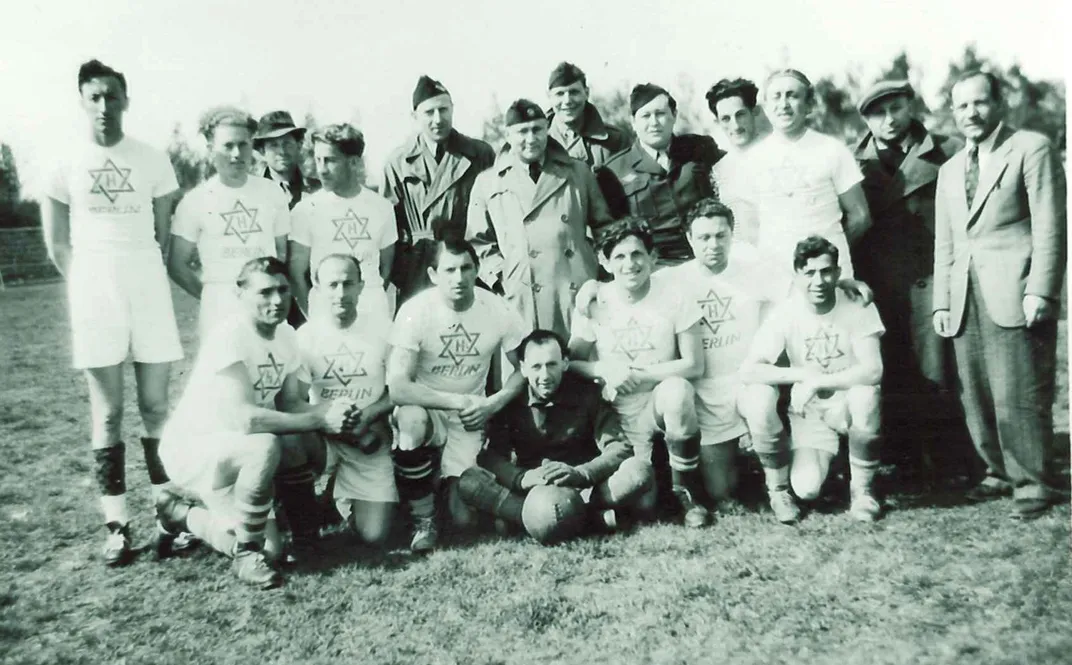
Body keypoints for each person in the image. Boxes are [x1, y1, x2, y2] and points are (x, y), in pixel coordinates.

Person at [41, 59, 187, 566]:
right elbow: (58, 244)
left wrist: (139, 268)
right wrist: (89, 286)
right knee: (107, 411)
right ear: (82, 101)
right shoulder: (63, 161)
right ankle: (117, 526)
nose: (105, 106)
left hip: (145, 279)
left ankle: (169, 515)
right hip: (94, 288)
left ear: (126, 99)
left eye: (112, 96)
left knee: (154, 407)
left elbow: (163, 232)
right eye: (95, 97)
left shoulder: (152, 160)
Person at [155, 258, 351, 588]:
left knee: (290, 440)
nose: (277, 301)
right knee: (267, 444)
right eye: (265, 292)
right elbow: (245, 419)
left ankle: (305, 535)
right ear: (240, 294)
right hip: (197, 448)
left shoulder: (286, 334)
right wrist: (317, 418)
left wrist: (334, 410)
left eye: (283, 291)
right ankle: (194, 522)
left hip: (241, 449)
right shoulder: (229, 336)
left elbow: (289, 403)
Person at [933, 70, 1067, 520]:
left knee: (1019, 390)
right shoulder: (951, 168)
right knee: (977, 390)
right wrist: (941, 300)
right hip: (964, 291)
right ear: (952, 112)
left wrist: (1041, 292)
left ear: (999, 103)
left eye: (980, 103)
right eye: (961, 106)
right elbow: (946, 242)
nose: (971, 113)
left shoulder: (1031, 148)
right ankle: (997, 470)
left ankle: (1033, 481)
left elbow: (1050, 226)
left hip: (1016, 287)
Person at [852, 79, 971, 485]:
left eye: (896, 108)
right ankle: (903, 458)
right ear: (865, 119)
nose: (888, 119)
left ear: (910, 107)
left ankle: (950, 460)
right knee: (893, 368)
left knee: (937, 368)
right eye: (877, 112)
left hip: (931, 275)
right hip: (880, 281)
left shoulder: (950, 152)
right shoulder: (854, 163)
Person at [386, 238, 529, 552]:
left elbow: (525, 368)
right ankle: (422, 520)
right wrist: (454, 401)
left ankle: (433, 482)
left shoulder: (496, 306)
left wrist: (493, 403)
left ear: (476, 269)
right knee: (410, 418)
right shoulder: (416, 310)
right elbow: (398, 387)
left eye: (466, 268)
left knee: (463, 519)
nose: (459, 277)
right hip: (430, 409)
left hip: (472, 416)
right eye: (449, 270)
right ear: (434, 274)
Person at [568, 219, 709, 527]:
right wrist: (604, 368)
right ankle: (639, 487)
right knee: (644, 505)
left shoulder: (674, 294)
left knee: (678, 391)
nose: (629, 264)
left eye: (636, 255)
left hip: (656, 400)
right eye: (619, 256)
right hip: (617, 412)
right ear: (605, 262)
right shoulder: (595, 300)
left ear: (652, 258)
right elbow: (572, 364)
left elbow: (694, 364)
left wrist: (640, 375)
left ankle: (685, 491)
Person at [457, 330, 656, 543]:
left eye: (552, 364)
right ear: (522, 368)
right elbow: (491, 456)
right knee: (469, 482)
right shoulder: (512, 402)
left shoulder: (587, 393)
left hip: (585, 490)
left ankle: (526, 522)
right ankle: (593, 520)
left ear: (565, 363)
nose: (544, 376)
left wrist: (581, 474)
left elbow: (619, 447)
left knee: (639, 471)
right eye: (536, 367)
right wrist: (521, 478)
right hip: (533, 492)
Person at [740, 236, 885, 523]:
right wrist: (801, 375)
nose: (818, 281)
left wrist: (817, 382)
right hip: (810, 413)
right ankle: (839, 462)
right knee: (806, 490)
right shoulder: (786, 312)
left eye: (826, 271)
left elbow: (873, 370)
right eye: (809, 273)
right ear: (796, 276)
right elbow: (750, 370)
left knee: (866, 395)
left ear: (838, 272)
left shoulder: (857, 304)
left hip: (846, 404)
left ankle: (862, 491)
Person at [655, 199, 771, 510]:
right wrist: (593, 288)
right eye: (704, 237)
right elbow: (624, 285)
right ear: (689, 239)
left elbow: (800, 292)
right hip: (705, 396)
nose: (713, 245)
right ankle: (731, 463)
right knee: (721, 491)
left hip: (745, 384)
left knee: (763, 410)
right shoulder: (671, 278)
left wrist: (845, 283)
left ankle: (774, 476)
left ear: (732, 234)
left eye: (721, 235)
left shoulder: (756, 272)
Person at [467, 99, 612, 339]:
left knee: (580, 365)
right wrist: (503, 278)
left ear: (547, 128)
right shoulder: (488, 181)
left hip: (576, 290)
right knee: (535, 368)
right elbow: (479, 243)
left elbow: (605, 229)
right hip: (522, 294)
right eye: (522, 131)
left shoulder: (578, 172)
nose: (531, 138)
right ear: (508, 134)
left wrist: (594, 275)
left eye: (537, 129)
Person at [738, 69, 871, 301]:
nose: (784, 104)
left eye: (792, 95)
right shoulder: (753, 159)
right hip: (776, 276)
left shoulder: (832, 150)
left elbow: (860, 216)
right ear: (766, 107)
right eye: (776, 97)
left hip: (829, 275)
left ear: (809, 105)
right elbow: (748, 226)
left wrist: (828, 255)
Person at [294, 254, 397, 547]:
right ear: (317, 289)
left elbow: (400, 388)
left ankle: (339, 501)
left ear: (361, 286)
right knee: (292, 441)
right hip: (323, 440)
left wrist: (369, 414)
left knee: (374, 535)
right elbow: (295, 402)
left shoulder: (383, 329)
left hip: (368, 436)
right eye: (333, 285)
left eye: (348, 284)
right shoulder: (306, 337)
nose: (341, 293)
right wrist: (327, 418)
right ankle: (313, 489)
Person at [168, 107, 291, 340]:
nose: (236, 153)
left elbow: (281, 254)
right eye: (227, 146)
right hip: (219, 305)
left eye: (243, 144)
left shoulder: (272, 193)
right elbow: (177, 265)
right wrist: (210, 294)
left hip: (266, 301)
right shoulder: (195, 200)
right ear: (210, 149)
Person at [382, 76, 495, 304]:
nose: (438, 119)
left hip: (466, 262)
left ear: (452, 109)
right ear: (415, 116)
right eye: (429, 112)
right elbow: (387, 227)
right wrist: (402, 271)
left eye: (443, 110)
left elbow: (496, 215)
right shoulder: (398, 161)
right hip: (419, 267)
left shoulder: (479, 154)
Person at [597, 83, 724, 266]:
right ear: (633, 122)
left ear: (674, 116)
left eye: (660, 114)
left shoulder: (700, 149)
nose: (654, 122)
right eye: (646, 116)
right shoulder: (614, 171)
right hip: (654, 267)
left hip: (706, 257)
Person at [288, 124, 396, 322]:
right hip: (325, 310)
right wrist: (315, 318)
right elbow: (297, 274)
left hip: (372, 309)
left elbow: (386, 267)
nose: (321, 170)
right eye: (318, 160)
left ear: (353, 162)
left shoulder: (382, 207)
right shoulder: (305, 210)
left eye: (330, 161)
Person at [705, 78, 763, 245]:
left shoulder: (779, 155)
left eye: (741, 114)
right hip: (743, 260)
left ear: (754, 111)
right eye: (726, 118)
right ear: (717, 122)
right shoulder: (718, 170)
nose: (735, 125)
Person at [545, 62, 630, 169]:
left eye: (574, 92)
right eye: (560, 94)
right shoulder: (538, 139)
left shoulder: (615, 140)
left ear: (587, 93)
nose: (567, 101)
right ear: (549, 96)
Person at [252, 110, 321, 210]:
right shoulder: (253, 193)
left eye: (287, 144)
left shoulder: (318, 190)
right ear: (262, 151)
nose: (282, 151)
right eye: (274, 145)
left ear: (299, 145)